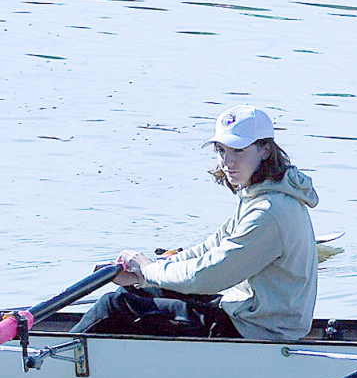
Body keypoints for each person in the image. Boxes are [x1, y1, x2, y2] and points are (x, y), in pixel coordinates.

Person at [74, 106, 320, 341]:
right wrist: (147, 273)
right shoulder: (262, 195)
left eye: (238, 151)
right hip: (247, 313)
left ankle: (52, 365)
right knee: (139, 293)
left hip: (259, 331)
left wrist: (149, 270)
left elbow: (210, 274)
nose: (228, 162)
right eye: (221, 151)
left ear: (266, 149)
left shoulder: (269, 212)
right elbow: (210, 248)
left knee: (116, 305)